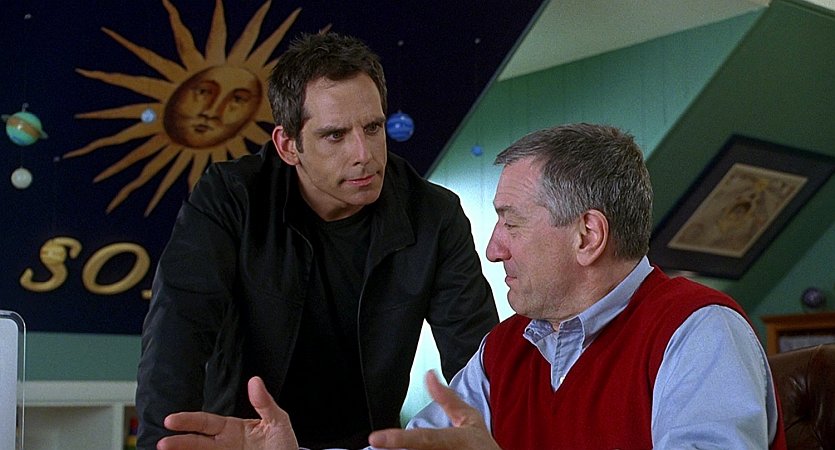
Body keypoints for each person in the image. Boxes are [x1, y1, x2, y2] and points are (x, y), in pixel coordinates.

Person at [154, 123, 788, 450]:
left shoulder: (700, 334)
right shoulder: (504, 351)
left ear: (588, 235)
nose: (493, 248)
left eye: (511, 223)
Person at [135, 31, 498, 450]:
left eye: (373, 127)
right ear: (288, 145)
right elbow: (177, 334)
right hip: (249, 440)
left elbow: (481, 359)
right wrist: (161, 444)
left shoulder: (435, 214)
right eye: (335, 135)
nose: (364, 153)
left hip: (367, 444)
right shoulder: (231, 197)